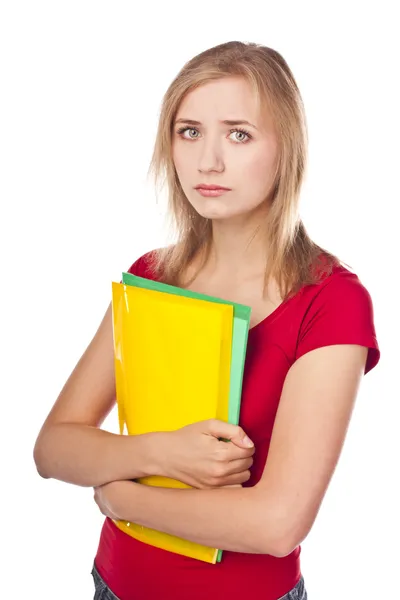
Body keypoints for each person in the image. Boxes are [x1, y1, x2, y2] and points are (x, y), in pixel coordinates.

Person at [33, 41, 380, 600]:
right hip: (113, 585)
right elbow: (53, 448)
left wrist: (123, 498)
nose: (207, 161)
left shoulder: (332, 302)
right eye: (188, 131)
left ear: (285, 148)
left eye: (238, 134)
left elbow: (277, 524)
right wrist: (162, 453)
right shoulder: (152, 274)